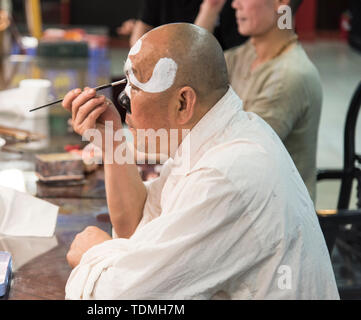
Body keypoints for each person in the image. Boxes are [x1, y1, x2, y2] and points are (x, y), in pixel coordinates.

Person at [62, 23, 339, 299]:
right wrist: (111, 141)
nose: (123, 99)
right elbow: (137, 224)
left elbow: (118, 298)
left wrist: (94, 253)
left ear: (183, 102)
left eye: (135, 85)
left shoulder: (224, 175)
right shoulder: (217, 136)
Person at [221, 0, 322, 202]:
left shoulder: (289, 75)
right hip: (243, 196)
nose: (235, 4)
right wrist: (209, 10)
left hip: (272, 218)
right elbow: (191, 75)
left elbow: (237, 157)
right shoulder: (246, 54)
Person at [129, 0, 247, 50]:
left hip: (214, 76)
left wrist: (210, 10)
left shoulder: (234, 5)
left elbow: (192, 54)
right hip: (170, 67)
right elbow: (142, 28)